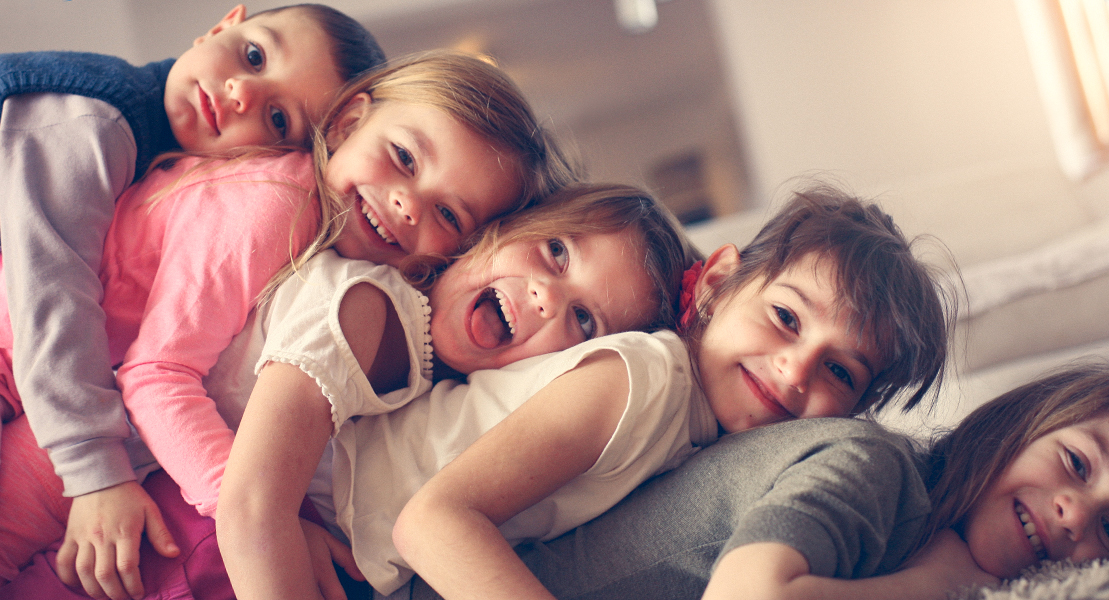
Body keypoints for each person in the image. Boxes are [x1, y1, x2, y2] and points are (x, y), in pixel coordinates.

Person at [0, 48, 572, 600]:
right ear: (348, 123)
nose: (407, 205)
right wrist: (275, 522)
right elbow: (154, 374)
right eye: (403, 158)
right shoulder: (276, 204)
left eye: (448, 214)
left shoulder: (327, 236)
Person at [249, 185, 949, 599]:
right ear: (712, 284)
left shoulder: (688, 430)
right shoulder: (643, 378)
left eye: (840, 373)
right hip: (308, 499)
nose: (795, 371)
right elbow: (431, 524)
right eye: (786, 318)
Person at [0, 4, 384, 597]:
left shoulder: (185, 168)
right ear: (224, 24)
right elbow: (51, 289)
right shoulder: (94, 117)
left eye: (278, 118)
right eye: (255, 55)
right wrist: (93, 474)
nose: (240, 93)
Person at [215, 182, 695, 600]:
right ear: (500, 228)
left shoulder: (439, 387)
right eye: (557, 251)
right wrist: (286, 524)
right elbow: (250, 510)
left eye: (584, 320)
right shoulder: (360, 304)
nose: (548, 298)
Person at [401, 363, 1109, 600]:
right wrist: (941, 583)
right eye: (1076, 464)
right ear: (1020, 423)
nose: (1074, 515)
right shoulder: (873, 467)